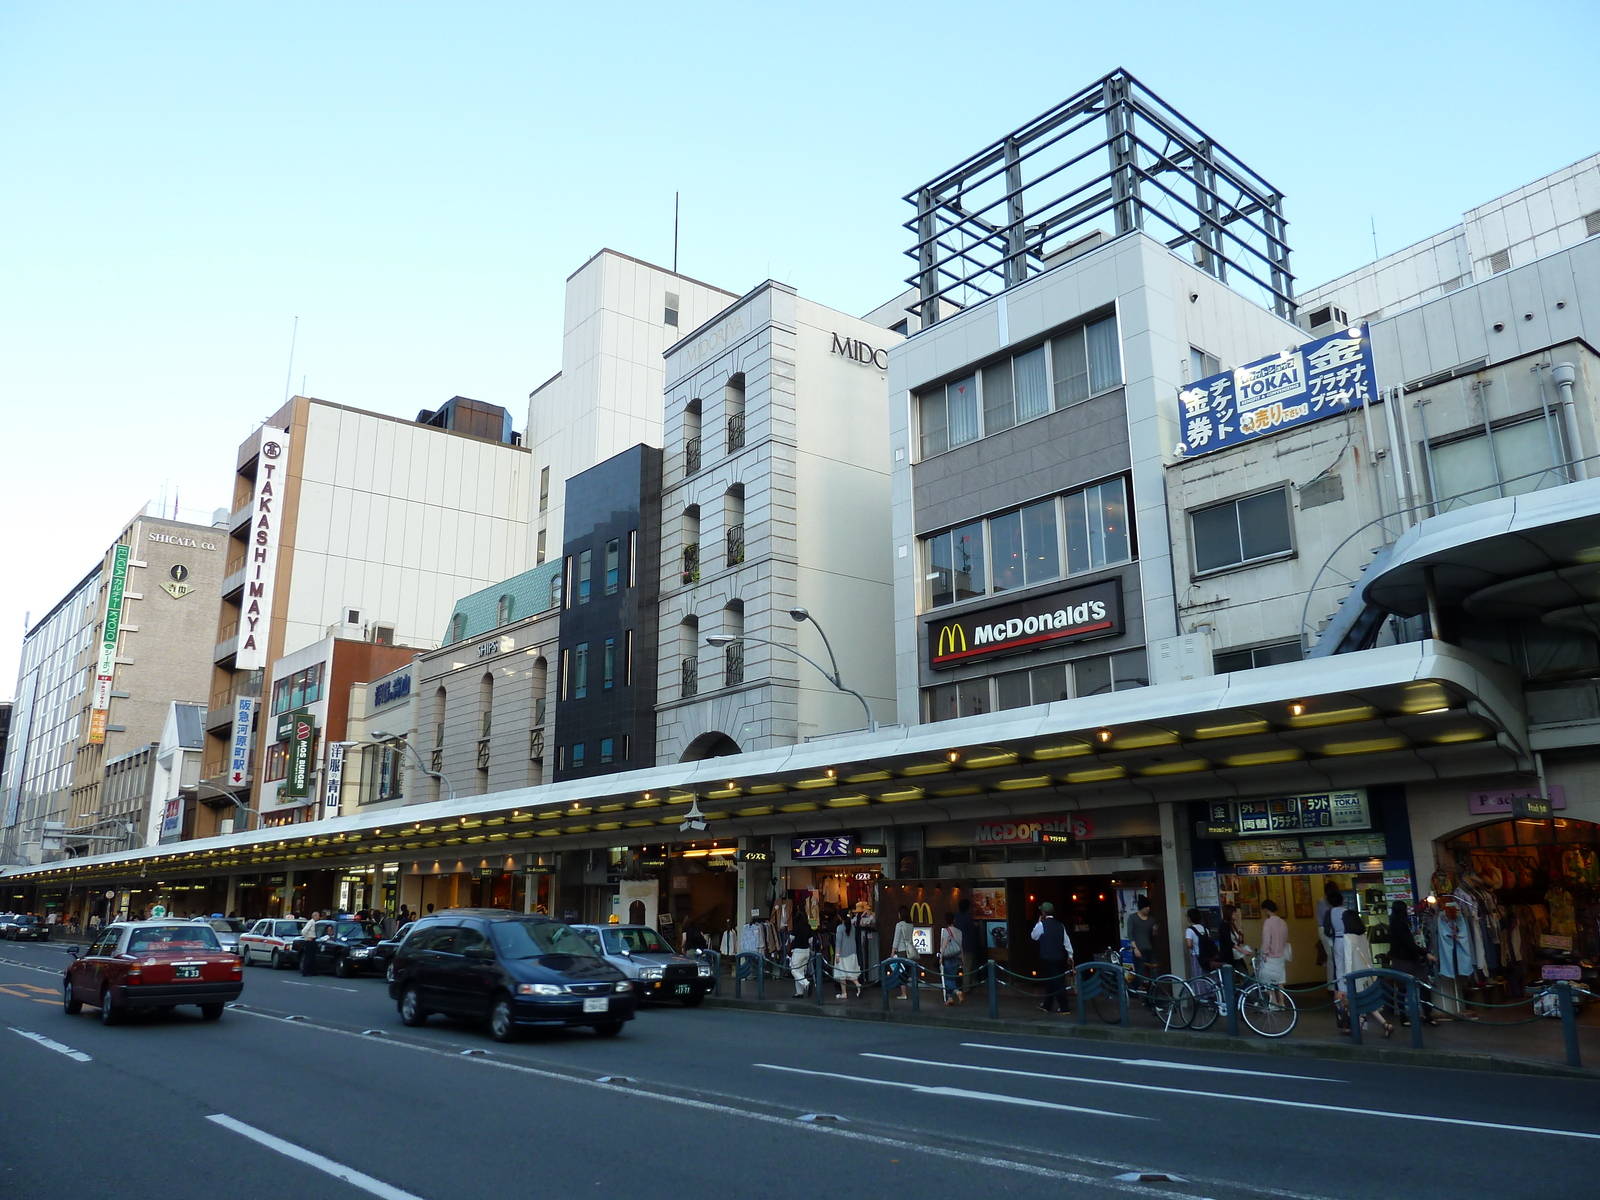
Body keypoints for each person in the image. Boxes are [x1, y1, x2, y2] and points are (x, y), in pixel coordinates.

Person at [1384, 899, 1438, 1026]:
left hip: (1400, 960)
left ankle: (1404, 1017)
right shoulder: (1401, 924)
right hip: (1408, 960)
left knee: (1402, 990)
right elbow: (1408, 943)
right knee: (1423, 986)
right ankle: (1427, 1014)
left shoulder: (1394, 922)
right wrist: (1425, 953)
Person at [1338, 909, 1392, 1037]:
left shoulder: (1347, 937)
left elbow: (1348, 958)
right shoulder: (1363, 936)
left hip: (1355, 975)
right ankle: (1370, 1024)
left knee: (1360, 1001)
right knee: (1364, 1001)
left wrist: (1347, 975)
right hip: (1366, 973)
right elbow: (1368, 955)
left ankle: (1377, 1025)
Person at [1031, 902, 1073, 1014]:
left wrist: (1038, 922)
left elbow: (1034, 936)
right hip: (1059, 957)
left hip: (1047, 957)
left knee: (1056, 982)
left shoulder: (1042, 925)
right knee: (1051, 980)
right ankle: (1047, 1004)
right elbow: (1066, 941)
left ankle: (1064, 1007)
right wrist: (1070, 955)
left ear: (1043, 912)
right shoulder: (1060, 925)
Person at [1257, 899, 1289, 987]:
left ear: (1266, 910)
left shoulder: (1268, 922)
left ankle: (1273, 1000)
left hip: (1270, 957)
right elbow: (1285, 939)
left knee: (1267, 981)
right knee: (1280, 980)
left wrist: (1263, 953)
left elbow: (1266, 939)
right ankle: (1282, 1000)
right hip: (1281, 955)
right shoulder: (1283, 923)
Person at [1315, 881, 1340, 993]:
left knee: (1332, 957)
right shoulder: (1322, 901)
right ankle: (1332, 985)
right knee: (1332, 956)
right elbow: (1327, 917)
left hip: (1328, 929)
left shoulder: (1323, 901)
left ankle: (1333, 984)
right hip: (1327, 929)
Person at [1125, 896, 1158, 976]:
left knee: (1154, 975)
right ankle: (1131, 988)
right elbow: (1130, 934)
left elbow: (1153, 936)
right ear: (1141, 907)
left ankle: (1152, 988)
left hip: (1150, 950)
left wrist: (1155, 930)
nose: (1148, 908)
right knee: (1140, 976)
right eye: (1146, 907)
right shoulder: (1132, 918)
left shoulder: (1151, 919)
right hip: (1139, 950)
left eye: (1148, 906)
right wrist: (1135, 949)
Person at [834, 912, 863, 1000]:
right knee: (851, 973)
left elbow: (839, 942)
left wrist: (837, 954)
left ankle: (844, 993)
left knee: (841, 974)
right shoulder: (853, 928)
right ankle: (858, 985)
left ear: (840, 917)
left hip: (842, 954)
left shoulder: (840, 928)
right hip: (852, 953)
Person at [953, 898, 979, 995]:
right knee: (967, 967)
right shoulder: (968, 919)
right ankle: (966, 988)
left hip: (956, 946)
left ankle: (953, 985)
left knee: (955, 966)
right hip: (967, 945)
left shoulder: (955, 917)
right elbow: (971, 931)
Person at [939, 912, 965, 1005]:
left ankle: (957, 992)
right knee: (953, 978)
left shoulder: (945, 931)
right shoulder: (959, 932)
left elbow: (944, 945)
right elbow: (961, 946)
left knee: (947, 978)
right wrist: (962, 959)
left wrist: (941, 957)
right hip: (957, 957)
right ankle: (950, 998)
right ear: (954, 921)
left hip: (949, 957)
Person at [890, 905, 915, 1000]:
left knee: (900, 973)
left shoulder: (899, 925)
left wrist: (892, 952)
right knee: (906, 973)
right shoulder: (911, 925)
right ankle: (914, 984)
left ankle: (904, 994)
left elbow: (896, 940)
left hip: (901, 952)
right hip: (909, 952)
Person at [789, 910, 815, 997]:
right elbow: (811, 940)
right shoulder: (808, 926)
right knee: (801, 971)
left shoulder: (797, 926)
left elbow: (791, 937)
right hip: (806, 951)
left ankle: (806, 983)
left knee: (794, 970)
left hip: (798, 952)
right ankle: (799, 992)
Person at [300, 910, 322, 976]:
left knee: (312, 957)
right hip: (310, 941)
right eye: (318, 916)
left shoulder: (316, 923)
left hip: (314, 940)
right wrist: (307, 937)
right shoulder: (311, 922)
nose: (319, 917)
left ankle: (312, 971)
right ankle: (305, 971)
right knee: (308, 957)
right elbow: (303, 931)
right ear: (314, 916)